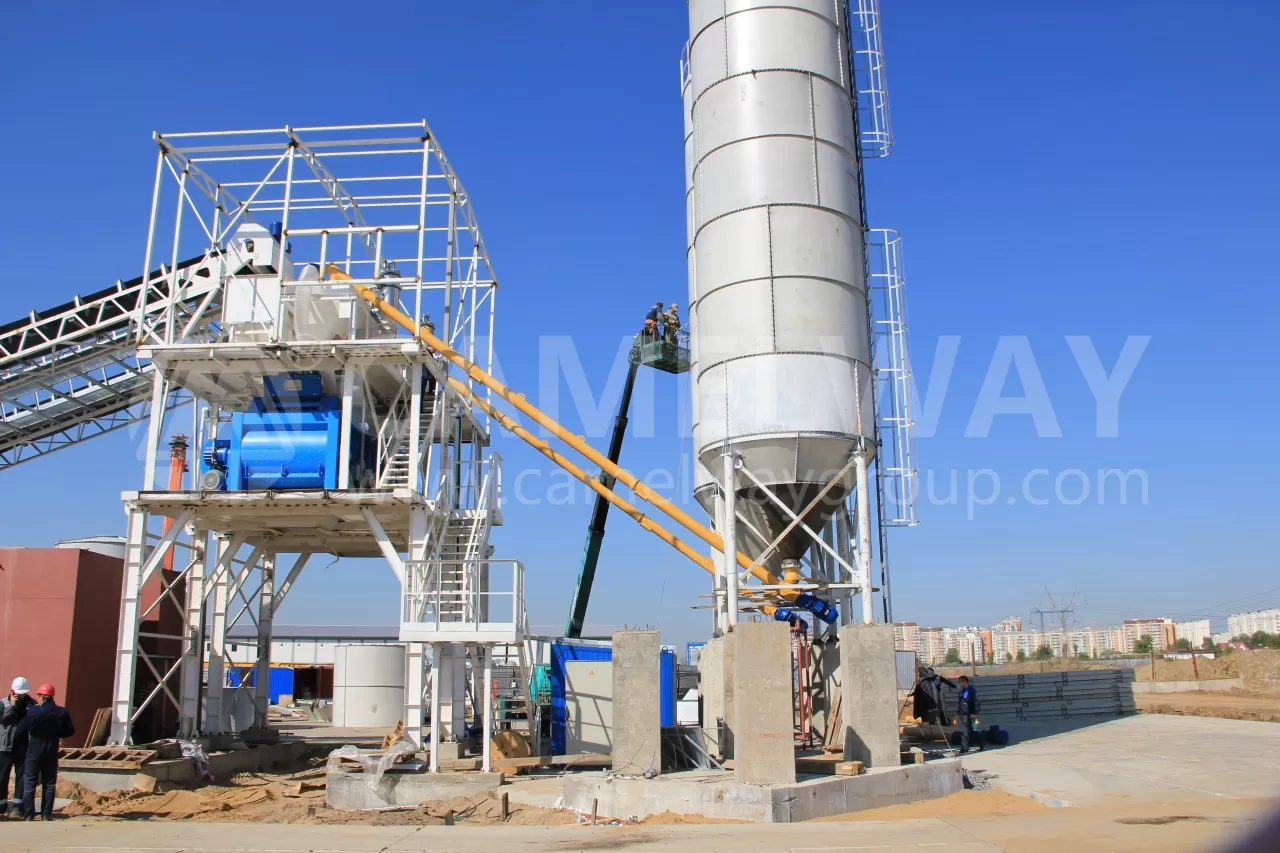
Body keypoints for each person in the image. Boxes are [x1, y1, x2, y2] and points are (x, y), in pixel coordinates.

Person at [17, 684, 74, 821]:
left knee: (30, 783)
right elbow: (69, 731)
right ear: (52, 696)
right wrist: (56, 734)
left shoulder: (32, 712)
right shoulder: (62, 712)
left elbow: (20, 730)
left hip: (34, 751)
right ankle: (46, 814)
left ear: (41, 697)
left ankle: (29, 814)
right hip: (51, 751)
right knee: (49, 784)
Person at [0, 678, 32, 817]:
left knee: (22, 777)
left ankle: (17, 807)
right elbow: (2, 721)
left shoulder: (31, 704)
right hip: (5, 747)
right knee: (2, 777)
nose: (21, 696)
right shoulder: (3, 703)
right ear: (12, 691)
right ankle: (1, 805)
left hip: (22, 746)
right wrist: (12, 707)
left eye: (23, 693)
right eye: (19, 693)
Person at [953, 675, 981, 754]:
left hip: (971, 715)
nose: (960, 684)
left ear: (965, 682)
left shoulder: (972, 691)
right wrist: (958, 711)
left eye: (961, 683)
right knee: (965, 731)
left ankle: (979, 744)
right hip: (964, 714)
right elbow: (961, 703)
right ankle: (964, 747)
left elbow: (977, 702)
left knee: (974, 729)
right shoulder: (962, 691)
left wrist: (975, 713)